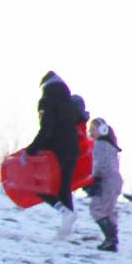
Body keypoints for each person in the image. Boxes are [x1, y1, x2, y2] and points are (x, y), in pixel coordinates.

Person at [24, 70, 82, 239]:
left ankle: (64, 212)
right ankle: (67, 228)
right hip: (73, 148)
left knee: (40, 186)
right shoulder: (68, 102)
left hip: (56, 150)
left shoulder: (46, 100)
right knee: (64, 187)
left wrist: (33, 149)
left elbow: (47, 128)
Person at [86, 117, 122, 251]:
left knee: (96, 208)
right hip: (115, 180)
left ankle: (110, 239)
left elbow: (98, 164)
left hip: (106, 180)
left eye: (93, 129)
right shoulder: (111, 146)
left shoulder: (99, 145)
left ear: (102, 130)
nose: (90, 133)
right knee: (108, 210)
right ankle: (112, 239)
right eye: (90, 130)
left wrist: (93, 179)